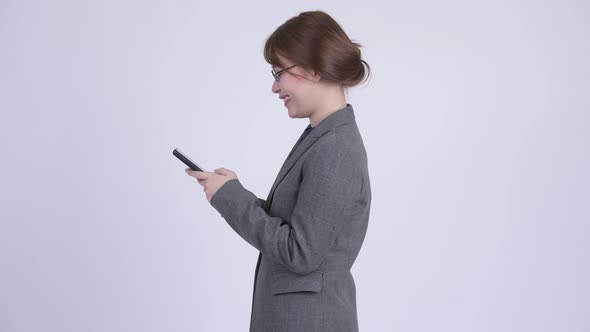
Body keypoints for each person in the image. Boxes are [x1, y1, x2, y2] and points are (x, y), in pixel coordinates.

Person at [186, 10, 371, 332]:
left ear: (312, 68)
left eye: (278, 72)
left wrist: (230, 200)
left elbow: (301, 253)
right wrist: (232, 191)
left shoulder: (336, 148)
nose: (275, 87)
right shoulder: (322, 138)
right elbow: (299, 230)